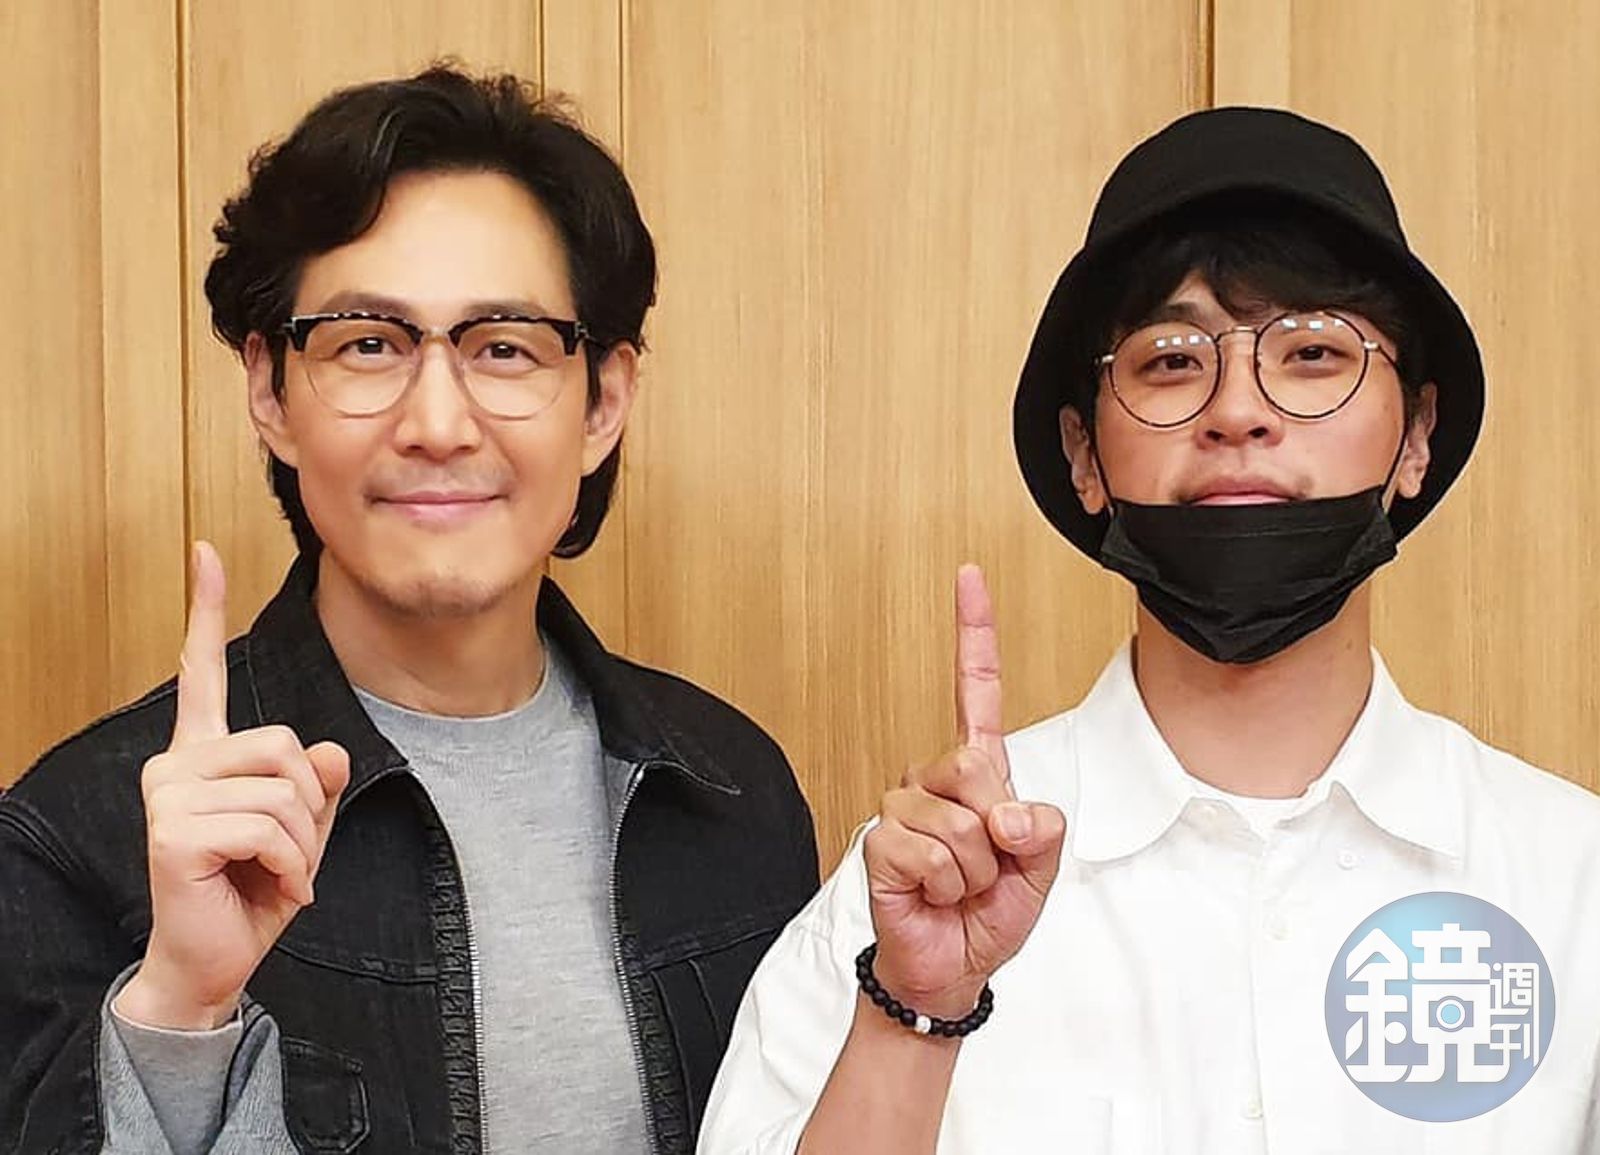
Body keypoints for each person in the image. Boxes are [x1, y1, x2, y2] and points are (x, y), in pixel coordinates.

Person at [697, 107, 1600, 1154]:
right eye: (1171, 360)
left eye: (1312, 352)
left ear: (1417, 439)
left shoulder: (1569, 878)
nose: (1238, 411)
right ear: (1084, 454)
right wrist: (919, 1013)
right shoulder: (914, 892)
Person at [0, 65, 817, 1155]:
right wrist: (182, 1010)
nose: (437, 423)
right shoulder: (79, 837)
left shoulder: (734, 794)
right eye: (368, 344)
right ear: (270, 392)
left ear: (604, 402)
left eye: (505, 348)